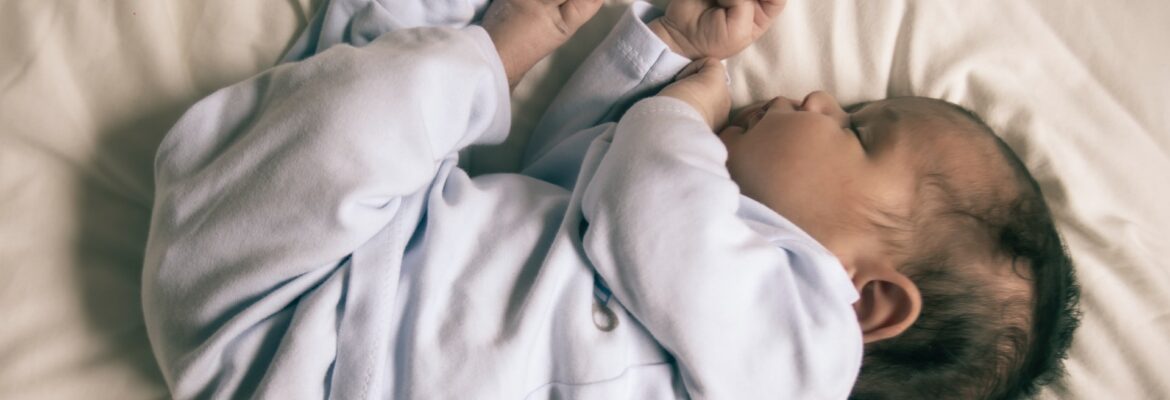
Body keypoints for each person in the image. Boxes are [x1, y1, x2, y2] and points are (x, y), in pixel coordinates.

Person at [142, 0, 1079, 398]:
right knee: (375, 106)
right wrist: (670, 44)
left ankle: (503, 41)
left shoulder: (797, 360)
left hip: (284, 341)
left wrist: (680, 108)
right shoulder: (694, 317)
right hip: (347, 276)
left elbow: (648, 200)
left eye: (859, 131)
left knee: (371, 111)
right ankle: (455, 41)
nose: (820, 99)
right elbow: (568, 187)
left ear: (867, 298)